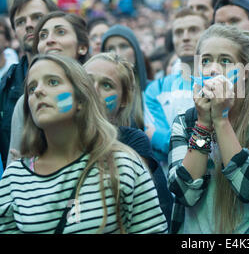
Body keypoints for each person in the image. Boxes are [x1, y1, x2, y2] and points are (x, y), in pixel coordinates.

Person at [0, 54, 167, 233]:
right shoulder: (14, 177)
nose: (39, 91)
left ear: (80, 98)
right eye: (32, 88)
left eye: (53, 82)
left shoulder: (122, 164)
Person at [168, 24, 249, 234]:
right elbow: (185, 194)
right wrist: (203, 124)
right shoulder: (185, 122)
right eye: (205, 61)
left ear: (246, 72)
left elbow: (248, 188)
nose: (213, 69)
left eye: (225, 61)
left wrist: (221, 120)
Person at [83, 52, 173, 227]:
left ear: (123, 100)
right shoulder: (52, 138)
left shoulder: (133, 143)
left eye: (106, 85)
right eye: (87, 80)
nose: (93, 89)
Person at [7, 11, 90, 165]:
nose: (49, 40)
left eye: (60, 32)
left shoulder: (100, 88)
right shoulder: (27, 102)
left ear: (82, 47)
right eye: (43, 36)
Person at [0, 0, 58, 168]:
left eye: (37, 17)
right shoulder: (5, 84)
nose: (29, 25)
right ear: (15, 32)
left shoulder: (82, 75)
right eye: (20, 22)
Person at [144, 8, 208, 167]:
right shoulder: (156, 89)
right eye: (179, 32)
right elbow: (157, 150)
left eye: (193, 30)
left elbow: (218, 144)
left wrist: (160, 138)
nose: (185, 37)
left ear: (207, 35)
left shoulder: (219, 85)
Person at [101, 24, 154, 139]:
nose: (117, 52)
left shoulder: (152, 90)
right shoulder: (95, 91)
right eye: (110, 48)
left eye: (124, 46)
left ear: (135, 51)